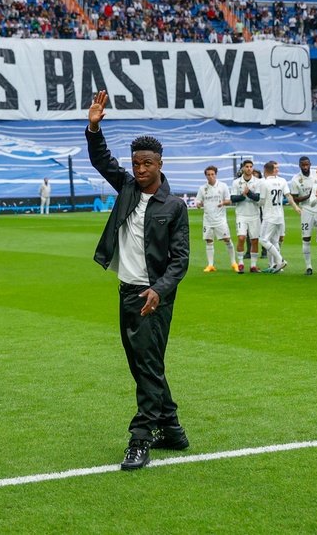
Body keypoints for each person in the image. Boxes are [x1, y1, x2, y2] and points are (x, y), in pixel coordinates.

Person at [86, 90, 190, 472]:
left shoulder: (175, 207)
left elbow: (180, 262)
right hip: (127, 292)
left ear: (160, 164)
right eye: (136, 163)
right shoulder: (127, 188)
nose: (140, 169)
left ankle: (140, 438)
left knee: (146, 367)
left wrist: (158, 292)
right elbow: (102, 160)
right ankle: (173, 430)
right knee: (142, 366)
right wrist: (94, 127)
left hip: (154, 299)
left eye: (147, 163)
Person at [259, 160, 301, 273]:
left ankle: (280, 260)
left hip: (269, 216)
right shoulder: (282, 181)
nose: (278, 169)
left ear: (265, 170)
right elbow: (288, 196)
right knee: (274, 240)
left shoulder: (264, 183)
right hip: (279, 216)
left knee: (263, 240)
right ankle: (274, 266)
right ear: (271, 170)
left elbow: (262, 201)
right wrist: (296, 207)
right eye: (276, 168)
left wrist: (256, 203)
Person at [197, 166, 237, 273]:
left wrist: (222, 203)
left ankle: (233, 263)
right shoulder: (202, 188)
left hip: (220, 219)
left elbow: (229, 201)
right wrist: (199, 204)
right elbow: (198, 203)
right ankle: (210, 265)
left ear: (216, 174)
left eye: (212, 174)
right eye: (208, 175)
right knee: (209, 241)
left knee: (227, 239)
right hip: (208, 219)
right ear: (206, 176)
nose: (210, 176)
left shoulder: (223, 186)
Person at [231, 159, 262, 273]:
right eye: (247, 166)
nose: (249, 168)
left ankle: (253, 265)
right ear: (243, 168)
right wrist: (243, 196)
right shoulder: (236, 182)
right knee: (241, 237)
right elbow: (233, 199)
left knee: (254, 240)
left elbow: (258, 197)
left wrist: (248, 193)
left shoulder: (258, 182)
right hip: (241, 215)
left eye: (250, 166)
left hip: (254, 214)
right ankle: (240, 263)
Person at [290, 156, 317, 275]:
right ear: (299, 166)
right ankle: (308, 266)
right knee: (306, 238)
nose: (305, 167)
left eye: (307, 165)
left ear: (310, 164)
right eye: (303, 165)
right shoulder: (295, 179)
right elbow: (295, 199)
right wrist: (308, 196)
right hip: (306, 210)